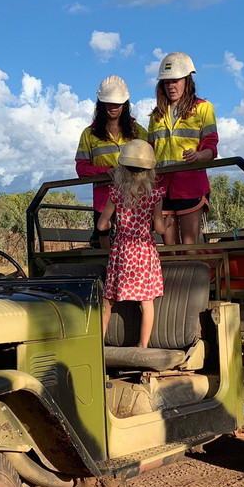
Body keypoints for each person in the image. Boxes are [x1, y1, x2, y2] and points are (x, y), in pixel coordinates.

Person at [98, 139, 165, 347]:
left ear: (123, 169)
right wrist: (168, 222)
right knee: (146, 301)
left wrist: (112, 224)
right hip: (145, 250)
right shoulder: (154, 195)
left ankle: (97, 344)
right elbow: (160, 229)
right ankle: (142, 345)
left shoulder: (117, 194)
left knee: (108, 300)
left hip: (123, 249)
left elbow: (101, 226)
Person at [148, 51, 219, 245]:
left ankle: (197, 275)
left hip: (190, 186)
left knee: (190, 247)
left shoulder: (204, 108)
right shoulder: (156, 115)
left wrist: (198, 155)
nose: (171, 86)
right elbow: (149, 151)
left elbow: (211, 146)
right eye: (166, 82)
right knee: (170, 250)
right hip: (162, 188)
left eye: (176, 80)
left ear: (187, 80)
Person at [75, 75, 148, 247]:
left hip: (134, 202)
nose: (113, 107)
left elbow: (151, 162)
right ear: (101, 104)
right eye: (108, 102)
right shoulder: (89, 134)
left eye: (118, 103)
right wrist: (103, 171)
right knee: (105, 255)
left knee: (132, 251)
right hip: (103, 203)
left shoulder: (139, 132)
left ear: (125, 104)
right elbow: (81, 168)